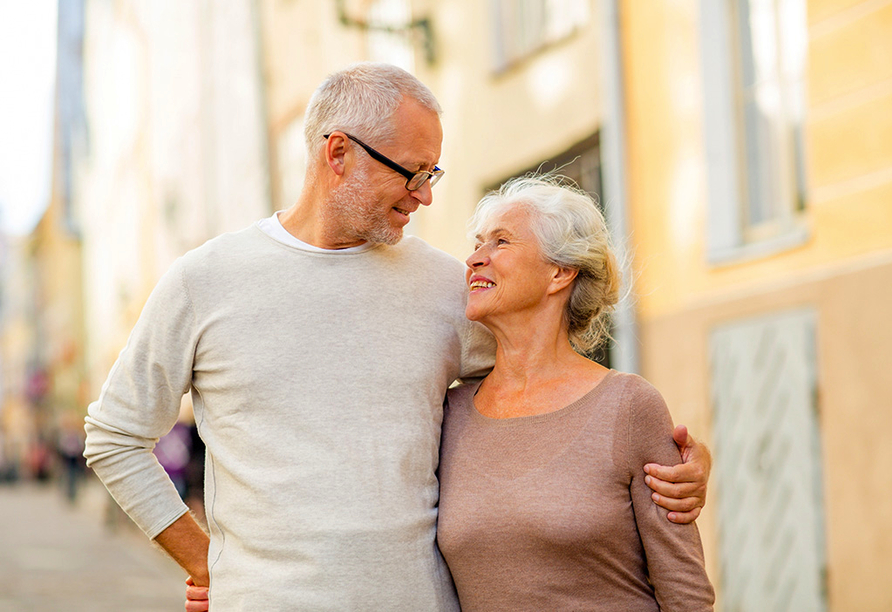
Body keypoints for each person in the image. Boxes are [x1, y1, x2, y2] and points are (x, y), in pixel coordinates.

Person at [84, 63, 710, 611]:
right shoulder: (206, 280)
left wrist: (674, 466)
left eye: (433, 172)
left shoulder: (449, 290)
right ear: (338, 155)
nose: (427, 196)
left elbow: (555, 390)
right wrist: (207, 562)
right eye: (413, 173)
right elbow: (115, 437)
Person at [436, 175, 714, 610]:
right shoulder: (448, 414)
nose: (474, 259)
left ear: (560, 272)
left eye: (501, 242)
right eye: (477, 243)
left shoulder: (627, 406)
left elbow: (686, 591)